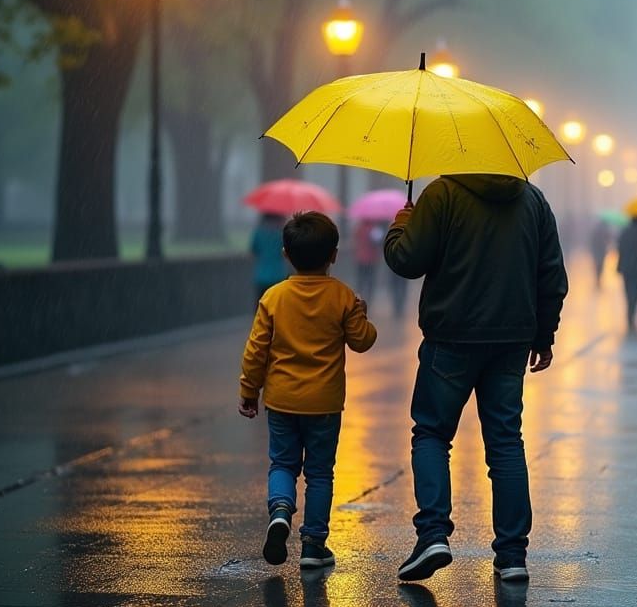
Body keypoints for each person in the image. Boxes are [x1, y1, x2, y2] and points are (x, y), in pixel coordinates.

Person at [384, 174, 568, 583]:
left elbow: (407, 261)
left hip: (450, 335)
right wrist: (544, 336)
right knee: (505, 441)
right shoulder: (533, 200)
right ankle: (513, 553)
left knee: (432, 433)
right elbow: (552, 275)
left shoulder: (442, 194)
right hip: (511, 339)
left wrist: (400, 227)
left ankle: (433, 533)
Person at [239, 211, 377, 569]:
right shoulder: (343, 297)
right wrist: (360, 314)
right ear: (334, 254)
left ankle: (281, 510)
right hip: (325, 404)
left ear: (286, 253)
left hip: (282, 401)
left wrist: (249, 390)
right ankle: (314, 545)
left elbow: (256, 350)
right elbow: (363, 342)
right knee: (319, 473)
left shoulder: (274, 298)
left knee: (283, 463)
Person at [616, 216, 637, 330]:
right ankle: (633, 311)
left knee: (628, 290)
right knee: (636, 291)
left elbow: (619, 247)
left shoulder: (624, 232)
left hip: (626, 267)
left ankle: (630, 311)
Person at [250, 212, 289, 307]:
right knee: (277, 306)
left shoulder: (259, 233)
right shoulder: (282, 234)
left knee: (261, 306)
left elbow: (253, 250)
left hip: (261, 275)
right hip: (278, 275)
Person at [352, 219, 383, 303]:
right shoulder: (374, 230)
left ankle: (358, 299)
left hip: (360, 259)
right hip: (371, 260)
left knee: (360, 281)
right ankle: (369, 300)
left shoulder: (359, 228)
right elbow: (377, 242)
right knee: (370, 282)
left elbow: (355, 240)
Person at [589, 219, 612, 290]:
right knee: (600, 266)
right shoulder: (604, 232)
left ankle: (598, 280)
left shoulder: (596, 232)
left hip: (598, 252)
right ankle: (598, 280)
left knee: (598, 266)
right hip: (601, 252)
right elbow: (608, 239)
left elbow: (592, 241)